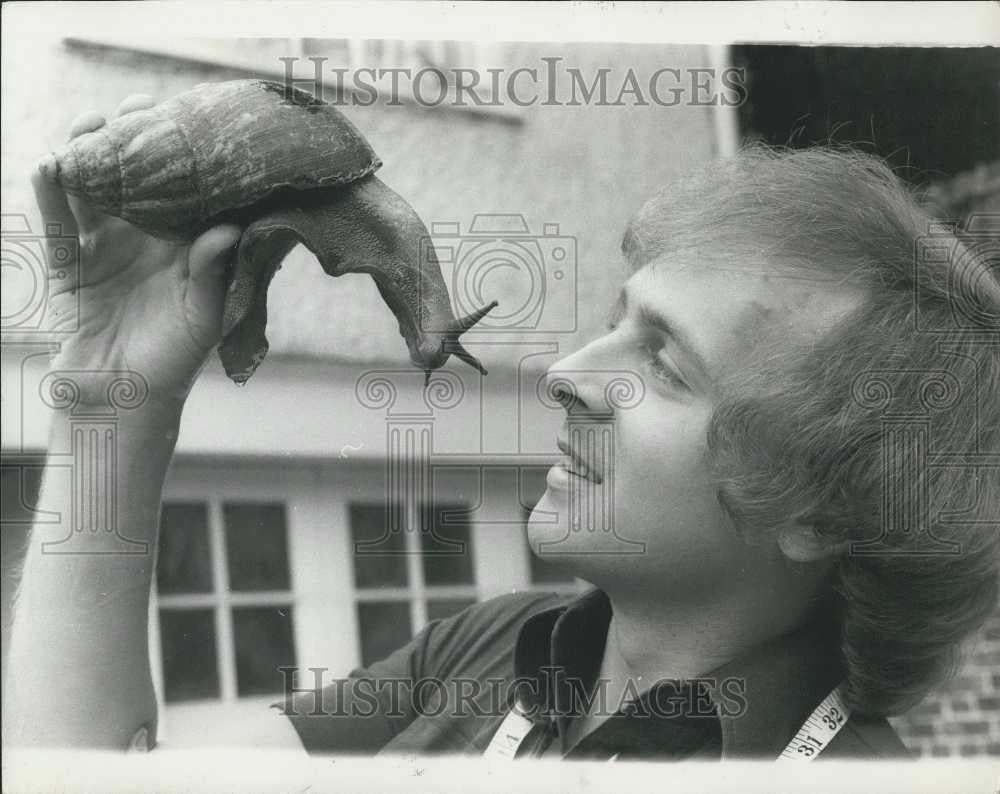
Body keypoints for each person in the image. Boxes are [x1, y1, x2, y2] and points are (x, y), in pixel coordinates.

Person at [5, 94, 998, 761]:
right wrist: (106, 393)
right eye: (616, 318)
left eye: (663, 360)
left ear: (820, 506)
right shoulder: (488, 652)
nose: (566, 374)